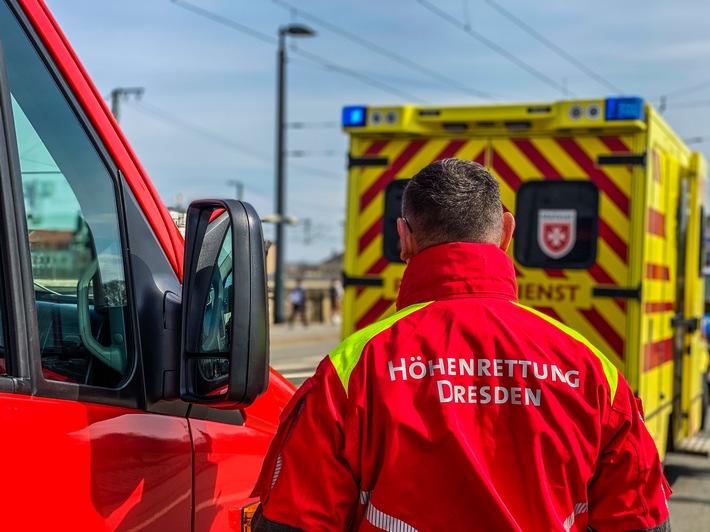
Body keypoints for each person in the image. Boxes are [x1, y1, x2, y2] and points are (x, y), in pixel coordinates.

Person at [251, 159, 671, 531]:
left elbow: (293, 519)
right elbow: (641, 518)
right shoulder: (594, 371)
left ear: (404, 238)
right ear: (507, 233)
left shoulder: (352, 370)